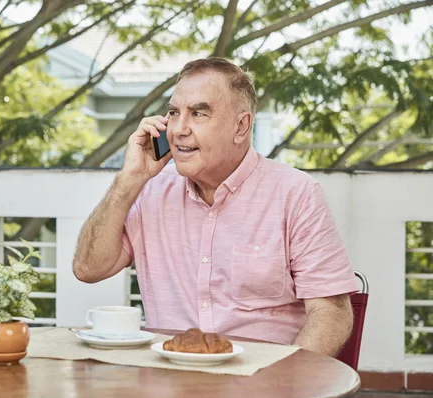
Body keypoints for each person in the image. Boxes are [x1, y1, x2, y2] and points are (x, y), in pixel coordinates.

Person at [73, 57, 357, 356]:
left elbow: (332, 314)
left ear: (241, 126)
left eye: (198, 113)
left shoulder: (296, 194)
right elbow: (88, 269)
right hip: (170, 379)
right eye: (173, 112)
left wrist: (285, 382)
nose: (178, 129)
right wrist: (129, 179)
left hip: (262, 382)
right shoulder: (150, 189)